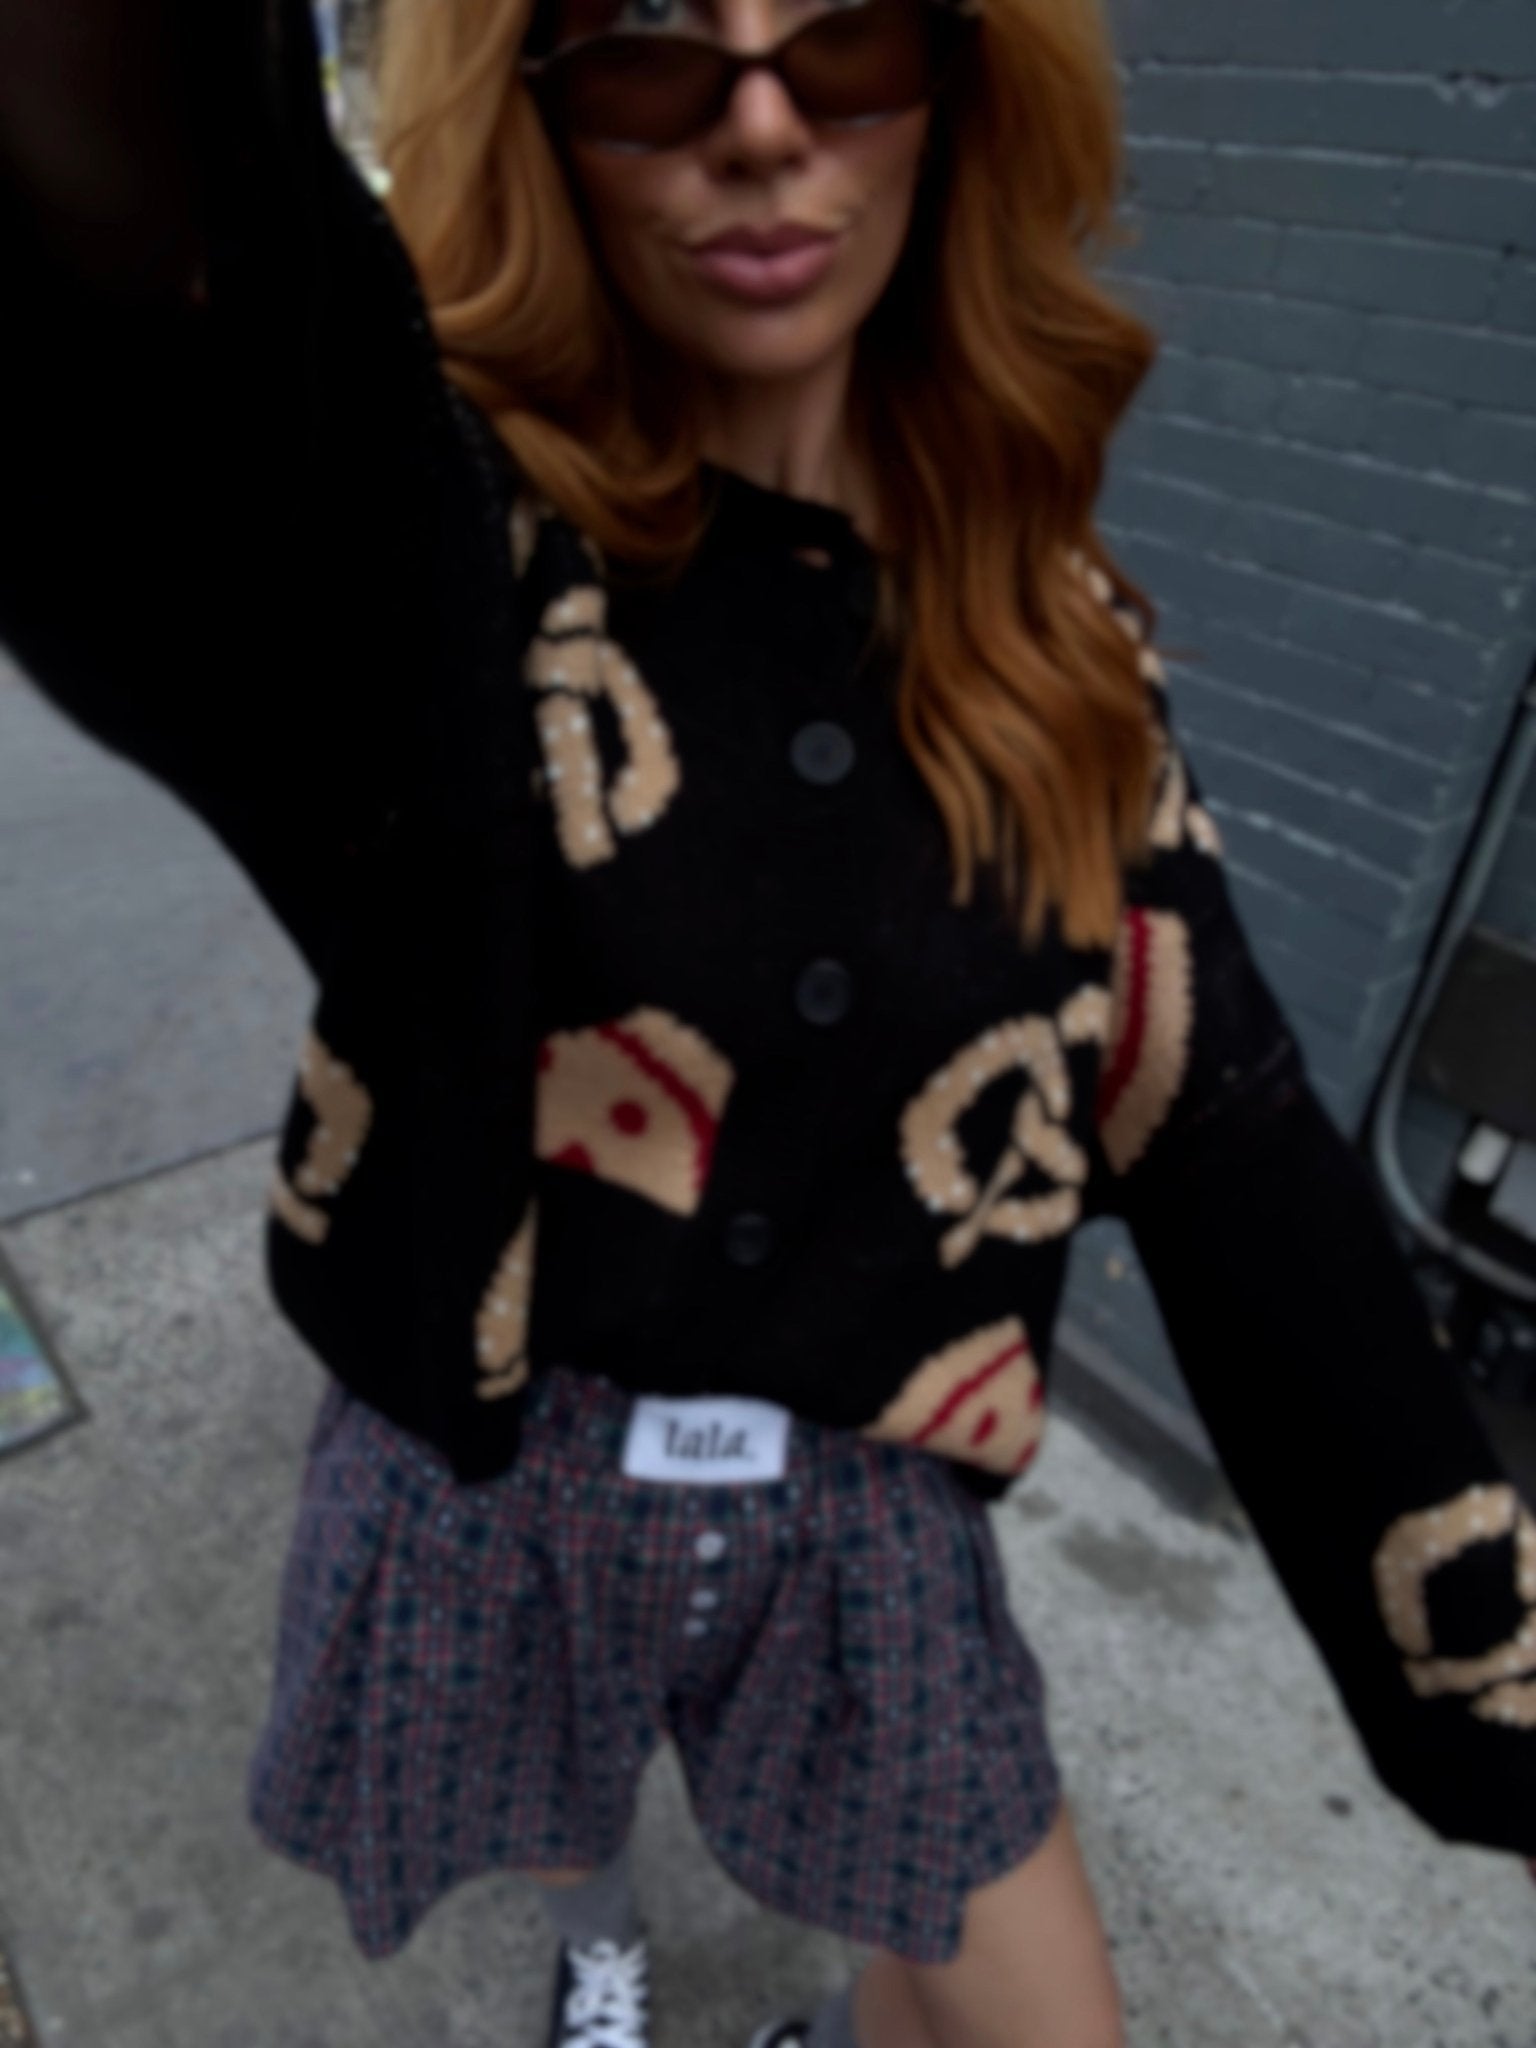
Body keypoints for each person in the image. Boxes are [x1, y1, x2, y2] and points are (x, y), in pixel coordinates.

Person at [2, 1, 1533, 2044]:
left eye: (847, 36)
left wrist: (1498, 1697)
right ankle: (602, 1945)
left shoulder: (1048, 634)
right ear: (532, 100)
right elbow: (128, 274)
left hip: (861, 1512)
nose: (756, 123)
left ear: (959, 87)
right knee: (551, 1806)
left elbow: (1238, 1146)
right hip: (498, 1468)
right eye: (646, 43)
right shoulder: (417, 546)